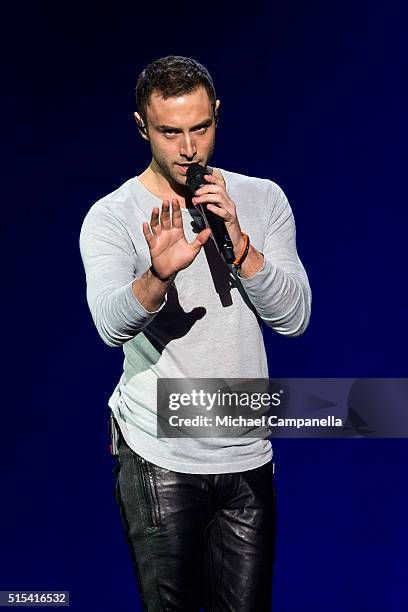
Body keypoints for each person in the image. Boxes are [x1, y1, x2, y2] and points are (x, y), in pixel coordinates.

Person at [79, 55, 311, 611]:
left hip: (245, 450)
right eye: (170, 132)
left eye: (200, 128)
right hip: (159, 453)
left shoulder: (263, 199)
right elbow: (110, 324)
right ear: (142, 127)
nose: (189, 149)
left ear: (218, 117)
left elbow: (295, 318)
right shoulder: (112, 215)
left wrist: (238, 240)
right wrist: (158, 274)